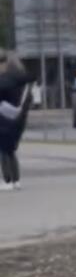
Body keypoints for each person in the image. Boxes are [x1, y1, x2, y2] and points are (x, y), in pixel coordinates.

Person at [0, 51, 32, 190]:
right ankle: (16, 181)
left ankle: (7, 181)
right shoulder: (21, 79)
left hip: (4, 117)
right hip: (17, 118)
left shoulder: (5, 80)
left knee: (4, 150)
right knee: (10, 149)